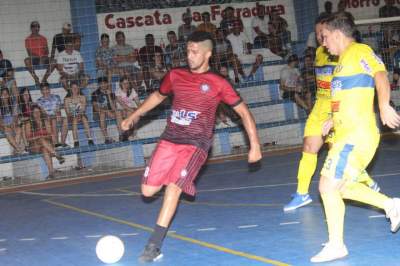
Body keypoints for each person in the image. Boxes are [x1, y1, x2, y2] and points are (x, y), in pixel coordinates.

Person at [121, 31, 262, 263]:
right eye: (187, 51)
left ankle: (153, 245)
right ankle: (174, 180)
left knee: (174, 187)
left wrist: (254, 145)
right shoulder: (175, 75)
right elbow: (158, 96)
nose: (189, 55)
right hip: (169, 139)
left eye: (194, 52)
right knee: (147, 191)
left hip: (196, 144)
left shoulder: (218, 82)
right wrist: (133, 116)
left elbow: (244, 112)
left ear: (207, 54)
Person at [310, 13, 400, 263]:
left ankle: (338, 245)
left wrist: (383, 106)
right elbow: (348, 97)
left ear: (338, 34)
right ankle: (391, 205)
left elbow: (380, 76)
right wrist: (332, 118)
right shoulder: (341, 63)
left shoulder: (360, 50)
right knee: (336, 187)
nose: (323, 43)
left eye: (326, 37)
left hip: (357, 135)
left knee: (327, 186)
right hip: (345, 134)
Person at [284, 15, 381, 212]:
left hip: (339, 106)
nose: (320, 36)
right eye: (318, 33)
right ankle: (302, 193)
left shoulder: (347, 51)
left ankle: (367, 183)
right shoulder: (320, 51)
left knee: (339, 152)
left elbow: (370, 74)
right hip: (321, 105)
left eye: (323, 32)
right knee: (309, 146)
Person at [25, 104, 65, 179]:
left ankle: (51, 173)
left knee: (44, 149)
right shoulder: (29, 123)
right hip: (34, 146)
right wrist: (38, 137)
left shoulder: (45, 121)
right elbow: (28, 139)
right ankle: (57, 155)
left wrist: (42, 137)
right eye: (35, 113)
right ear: (32, 114)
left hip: (46, 145)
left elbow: (50, 134)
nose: (37, 114)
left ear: (40, 112)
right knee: (41, 140)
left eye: (38, 112)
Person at [64, 81, 94, 147]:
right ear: (70, 89)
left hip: (81, 114)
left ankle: (90, 139)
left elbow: (83, 109)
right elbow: (67, 112)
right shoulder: (67, 99)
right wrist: (74, 115)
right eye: (73, 88)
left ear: (79, 89)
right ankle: (76, 141)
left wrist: (79, 114)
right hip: (71, 116)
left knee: (84, 119)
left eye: (76, 88)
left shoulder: (82, 97)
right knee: (74, 120)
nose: (75, 89)